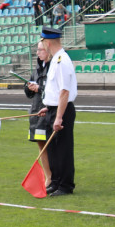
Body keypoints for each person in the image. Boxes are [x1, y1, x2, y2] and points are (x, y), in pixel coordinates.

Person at [40, 26, 77, 196]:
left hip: (61, 111)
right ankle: (55, 182)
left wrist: (59, 117)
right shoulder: (56, 59)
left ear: (47, 42)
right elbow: (56, 91)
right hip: (53, 109)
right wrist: (49, 106)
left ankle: (65, 185)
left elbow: (64, 91)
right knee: (53, 149)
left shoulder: (62, 60)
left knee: (63, 149)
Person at [24, 39, 51, 188]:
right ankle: (49, 176)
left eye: (40, 50)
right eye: (37, 50)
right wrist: (28, 87)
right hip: (36, 111)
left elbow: (54, 91)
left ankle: (52, 177)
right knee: (41, 145)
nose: (37, 52)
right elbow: (28, 90)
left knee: (51, 145)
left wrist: (39, 88)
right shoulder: (37, 68)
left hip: (48, 111)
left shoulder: (53, 67)